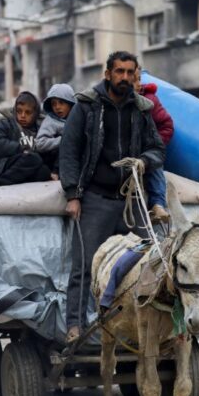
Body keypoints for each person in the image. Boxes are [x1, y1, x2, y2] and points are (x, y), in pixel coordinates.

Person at [59, 51, 166, 343]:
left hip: (132, 200)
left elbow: (157, 149)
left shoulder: (141, 109)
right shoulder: (87, 106)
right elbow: (69, 152)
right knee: (84, 265)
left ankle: (148, 329)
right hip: (96, 198)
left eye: (130, 72)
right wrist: (73, 195)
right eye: (119, 71)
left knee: (152, 260)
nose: (125, 78)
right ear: (107, 74)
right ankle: (75, 326)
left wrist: (144, 161)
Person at [0, 91, 51, 189]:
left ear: (35, 114)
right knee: (33, 158)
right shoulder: (6, 124)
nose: (23, 115)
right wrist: (20, 148)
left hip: (25, 168)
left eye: (28, 112)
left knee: (44, 172)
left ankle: (12, 179)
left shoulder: (41, 130)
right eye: (19, 111)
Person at [134, 65, 173, 223]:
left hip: (146, 149)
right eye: (133, 80)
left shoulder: (149, 100)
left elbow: (167, 126)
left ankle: (157, 205)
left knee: (155, 165)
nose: (137, 84)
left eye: (138, 79)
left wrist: (155, 146)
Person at [34, 83, 77, 180]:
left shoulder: (78, 119)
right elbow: (40, 143)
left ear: (70, 103)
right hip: (54, 160)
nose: (57, 107)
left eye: (61, 103)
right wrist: (63, 140)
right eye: (54, 104)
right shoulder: (50, 121)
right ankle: (55, 173)